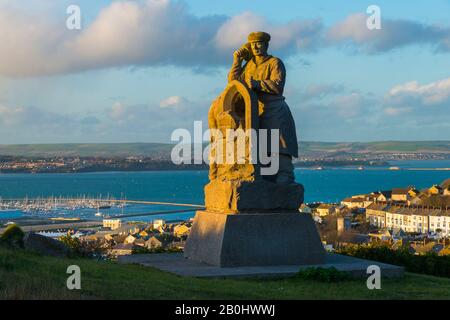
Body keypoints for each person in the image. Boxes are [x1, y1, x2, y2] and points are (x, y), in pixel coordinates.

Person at [228, 31, 299, 184]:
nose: (255, 47)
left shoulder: (275, 63)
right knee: (259, 144)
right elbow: (233, 84)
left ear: (266, 45)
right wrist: (236, 61)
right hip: (255, 110)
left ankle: (285, 173)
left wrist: (257, 84)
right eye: (253, 44)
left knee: (279, 143)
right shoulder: (249, 65)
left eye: (259, 43)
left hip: (275, 110)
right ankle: (266, 174)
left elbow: (278, 85)